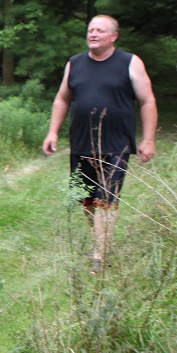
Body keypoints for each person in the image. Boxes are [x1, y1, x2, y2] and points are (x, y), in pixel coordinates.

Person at [41, 15, 157, 267]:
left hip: (117, 144)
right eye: (90, 30)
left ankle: (98, 255)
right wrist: (52, 132)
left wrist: (148, 140)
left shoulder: (130, 62)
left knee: (107, 197)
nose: (93, 34)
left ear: (113, 36)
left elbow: (148, 101)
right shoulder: (75, 63)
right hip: (82, 143)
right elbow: (62, 99)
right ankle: (100, 240)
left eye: (100, 30)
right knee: (87, 198)